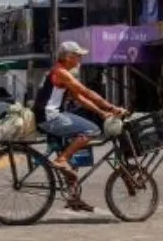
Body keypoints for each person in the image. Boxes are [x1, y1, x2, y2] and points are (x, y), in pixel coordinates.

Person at [34, 41, 127, 212]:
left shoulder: (62, 72)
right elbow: (87, 92)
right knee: (91, 130)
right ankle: (61, 160)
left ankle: (73, 197)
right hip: (50, 117)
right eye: (77, 55)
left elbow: (79, 99)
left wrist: (101, 112)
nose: (80, 58)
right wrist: (111, 107)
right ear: (68, 57)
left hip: (48, 116)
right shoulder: (62, 73)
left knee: (72, 156)